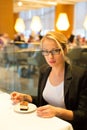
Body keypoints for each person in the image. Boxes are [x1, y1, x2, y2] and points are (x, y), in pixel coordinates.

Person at [10, 31, 87, 130]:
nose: (50, 56)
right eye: (46, 51)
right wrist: (25, 97)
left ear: (65, 50)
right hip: (46, 123)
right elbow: (44, 101)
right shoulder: (44, 71)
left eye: (55, 51)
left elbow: (83, 115)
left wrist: (57, 111)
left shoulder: (80, 75)